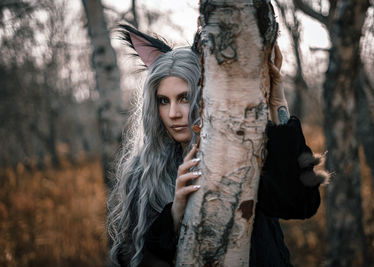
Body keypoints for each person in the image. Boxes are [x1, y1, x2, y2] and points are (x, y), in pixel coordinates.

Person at [107, 25, 329, 267]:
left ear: (205, 96)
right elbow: (131, 257)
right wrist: (175, 214)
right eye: (163, 101)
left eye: (185, 97)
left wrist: (278, 104)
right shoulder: (144, 172)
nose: (173, 113)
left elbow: (302, 204)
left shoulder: (243, 153)